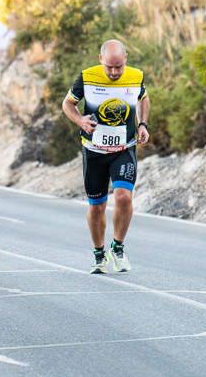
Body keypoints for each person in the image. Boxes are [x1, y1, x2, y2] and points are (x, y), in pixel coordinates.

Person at [61, 40, 150, 274]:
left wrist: (143, 125)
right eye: (109, 67)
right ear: (100, 59)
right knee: (97, 206)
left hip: (124, 149)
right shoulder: (87, 77)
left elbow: (144, 98)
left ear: (126, 59)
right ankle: (99, 254)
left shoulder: (135, 76)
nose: (113, 72)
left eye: (118, 67)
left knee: (123, 197)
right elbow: (68, 104)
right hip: (94, 152)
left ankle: (118, 248)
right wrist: (80, 120)